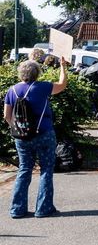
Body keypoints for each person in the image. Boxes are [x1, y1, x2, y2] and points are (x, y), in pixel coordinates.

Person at [3, 57, 67, 218]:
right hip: (44, 133)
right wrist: (63, 67)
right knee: (46, 169)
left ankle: (17, 209)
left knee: (24, 169)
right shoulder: (42, 87)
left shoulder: (12, 90)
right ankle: (43, 208)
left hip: (22, 137)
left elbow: (6, 115)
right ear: (37, 73)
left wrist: (18, 129)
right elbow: (62, 85)